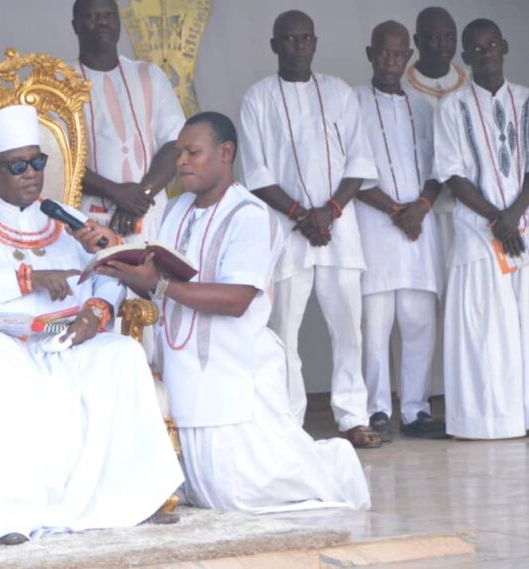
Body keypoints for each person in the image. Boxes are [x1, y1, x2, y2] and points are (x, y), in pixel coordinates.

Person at [0, 104, 183, 545]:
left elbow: (106, 274)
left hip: (59, 335)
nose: (31, 173)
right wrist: (27, 277)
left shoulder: (65, 218)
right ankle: (5, 515)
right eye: (18, 166)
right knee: (1, 370)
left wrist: (95, 312)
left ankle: (128, 499)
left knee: (123, 354)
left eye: (38, 162)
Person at [97, 111, 371, 512]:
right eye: (178, 154)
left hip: (235, 372)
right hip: (185, 369)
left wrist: (157, 284)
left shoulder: (249, 215)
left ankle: (337, 467)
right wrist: (115, 251)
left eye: (193, 152)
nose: (183, 162)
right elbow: (161, 273)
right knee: (208, 495)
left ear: (225, 153)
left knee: (240, 495)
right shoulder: (175, 211)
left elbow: (236, 299)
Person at [238, 10, 381, 447]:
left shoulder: (338, 92)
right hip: (287, 232)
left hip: (338, 230)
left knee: (349, 330)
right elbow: (257, 173)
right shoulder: (257, 98)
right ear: (274, 45)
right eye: (289, 39)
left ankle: (353, 417)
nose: (298, 46)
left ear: (315, 43)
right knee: (284, 333)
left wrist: (331, 210)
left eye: (304, 39)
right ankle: (289, 420)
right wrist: (304, 215)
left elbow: (359, 158)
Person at [434, 19, 529, 439]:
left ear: (504, 46)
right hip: (478, 235)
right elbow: (452, 175)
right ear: (465, 58)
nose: (485, 52)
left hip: (523, 231)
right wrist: (496, 219)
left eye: (491, 44)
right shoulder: (450, 107)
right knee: (486, 333)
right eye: (475, 48)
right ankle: (488, 423)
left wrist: (514, 216)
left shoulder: (526, 101)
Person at [355, 21, 446, 442]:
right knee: (375, 329)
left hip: (419, 231)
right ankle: (376, 410)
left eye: (398, 54)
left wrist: (422, 207)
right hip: (375, 228)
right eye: (383, 53)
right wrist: (395, 210)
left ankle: (415, 411)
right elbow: (351, 170)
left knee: (419, 326)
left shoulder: (424, 107)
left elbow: (439, 167)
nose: (391, 61)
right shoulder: (352, 103)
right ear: (370, 54)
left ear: (408, 57)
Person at [72, 0, 184, 242]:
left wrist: (140, 195)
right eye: (91, 16)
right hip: (89, 222)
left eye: (109, 15)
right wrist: (115, 193)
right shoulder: (61, 80)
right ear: (75, 26)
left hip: (150, 215)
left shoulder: (150, 75)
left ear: (118, 22)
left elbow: (175, 144)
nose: (102, 21)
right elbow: (60, 159)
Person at [403, 7, 467, 260]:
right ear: (417, 41)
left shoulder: (473, 82)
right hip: (423, 208)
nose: (442, 44)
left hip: (471, 206)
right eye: (432, 37)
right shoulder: (400, 88)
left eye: (448, 36)